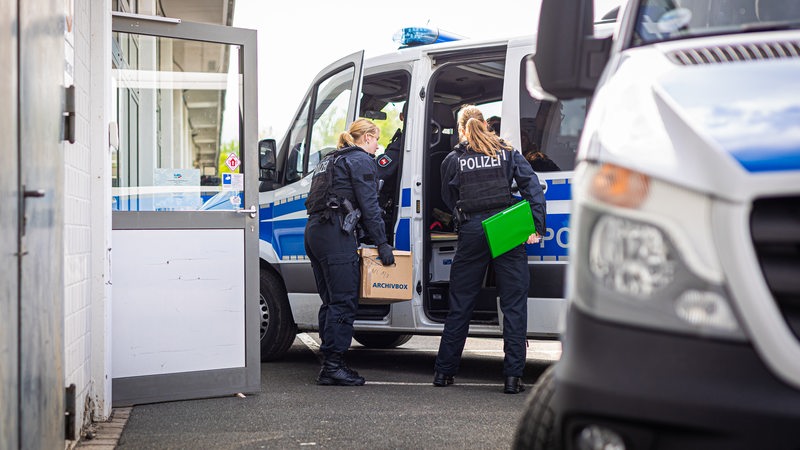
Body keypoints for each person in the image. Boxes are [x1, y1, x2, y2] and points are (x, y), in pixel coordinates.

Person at [433, 105, 546, 394]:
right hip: (506, 227)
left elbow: (448, 197)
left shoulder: (453, 159)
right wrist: (536, 226)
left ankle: (444, 373)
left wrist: (464, 218)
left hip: (472, 229)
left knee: (460, 303)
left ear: (461, 129)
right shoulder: (507, 151)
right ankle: (512, 378)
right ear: (486, 124)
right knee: (513, 304)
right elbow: (531, 186)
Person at [304, 118, 396, 386]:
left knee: (331, 301)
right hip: (335, 234)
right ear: (366, 137)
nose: (378, 147)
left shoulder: (330, 159)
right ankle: (333, 366)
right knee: (343, 301)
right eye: (377, 140)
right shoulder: (359, 160)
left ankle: (329, 361)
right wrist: (382, 243)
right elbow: (370, 206)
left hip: (315, 232)